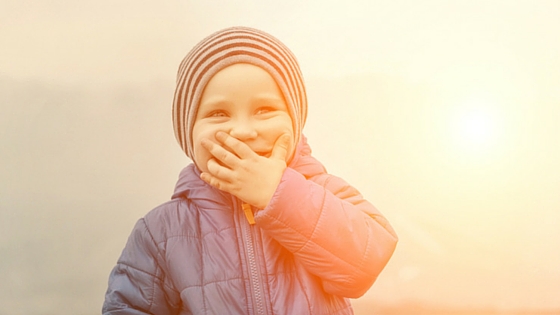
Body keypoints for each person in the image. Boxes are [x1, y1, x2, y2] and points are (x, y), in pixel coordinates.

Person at [102, 26, 398, 315]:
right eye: (218, 114)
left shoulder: (322, 191)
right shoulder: (161, 231)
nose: (242, 131)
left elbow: (368, 260)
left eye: (264, 110)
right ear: (188, 134)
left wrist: (279, 193)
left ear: (295, 120)